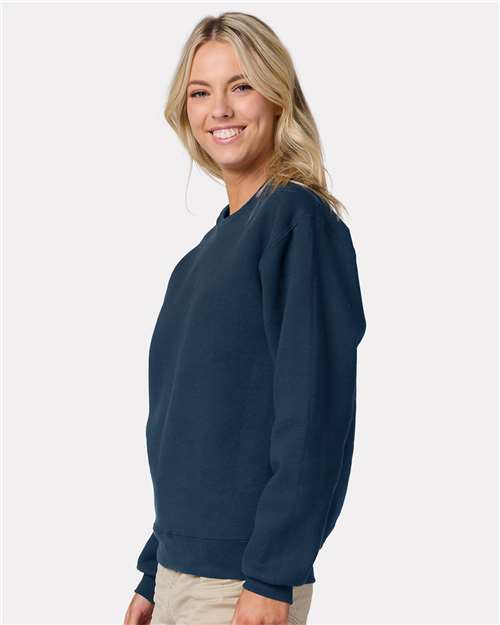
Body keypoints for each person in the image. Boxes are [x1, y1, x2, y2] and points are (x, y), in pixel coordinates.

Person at [123, 11, 367, 625]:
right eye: (200, 93)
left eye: (241, 85)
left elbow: (315, 415)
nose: (220, 110)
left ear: (277, 95)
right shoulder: (195, 262)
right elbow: (188, 429)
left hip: (241, 584)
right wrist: (154, 570)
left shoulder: (297, 222)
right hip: (179, 575)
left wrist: (272, 575)